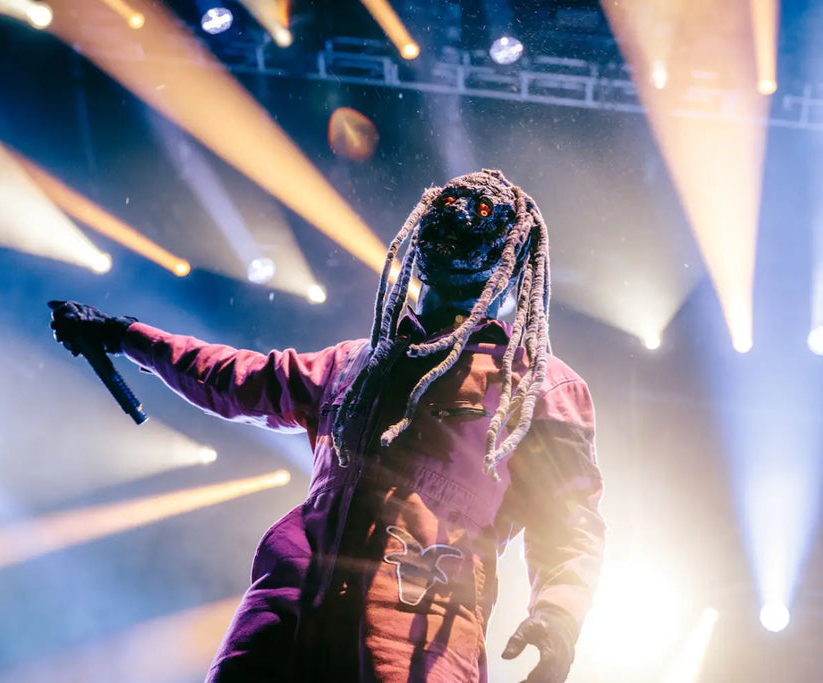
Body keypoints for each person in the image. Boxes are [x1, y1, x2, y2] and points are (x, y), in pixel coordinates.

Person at [49, 169, 605, 683]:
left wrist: (558, 617)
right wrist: (125, 334)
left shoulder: (538, 389)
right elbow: (234, 378)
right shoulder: (353, 364)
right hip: (284, 624)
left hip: (418, 633)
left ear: (510, 268)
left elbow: (571, 523)